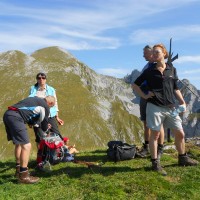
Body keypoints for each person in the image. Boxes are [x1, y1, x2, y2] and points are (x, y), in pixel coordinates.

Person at [132, 43, 198, 175]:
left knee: (180, 133)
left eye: (157, 52)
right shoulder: (149, 71)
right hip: (155, 106)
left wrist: (182, 101)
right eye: (154, 52)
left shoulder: (171, 69)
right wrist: (145, 95)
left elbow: (175, 87)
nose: (155, 54)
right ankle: (155, 163)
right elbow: (135, 85)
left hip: (171, 107)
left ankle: (182, 158)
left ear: (164, 54)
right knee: (155, 134)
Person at [3, 96, 55, 184]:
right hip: (16, 118)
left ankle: (18, 170)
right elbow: (44, 126)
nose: (49, 108)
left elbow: (29, 116)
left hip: (8, 115)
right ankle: (24, 176)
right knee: (27, 146)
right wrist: (47, 127)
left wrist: (33, 123)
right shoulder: (45, 106)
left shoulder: (34, 100)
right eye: (50, 106)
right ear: (50, 103)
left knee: (19, 144)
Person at [137, 45, 165, 159]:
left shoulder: (156, 66)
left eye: (145, 53)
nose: (143, 55)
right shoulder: (148, 65)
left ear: (151, 53)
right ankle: (147, 146)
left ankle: (159, 148)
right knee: (146, 122)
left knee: (158, 123)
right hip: (145, 97)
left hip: (152, 98)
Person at [29, 72, 64, 147]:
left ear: (46, 79)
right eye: (39, 78)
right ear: (37, 79)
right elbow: (30, 103)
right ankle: (41, 155)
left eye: (43, 78)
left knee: (56, 133)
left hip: (50, 115)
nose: (41, 79)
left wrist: (57, 117)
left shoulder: (51, 89)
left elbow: (55, 102)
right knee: (39, 137)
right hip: (37, 116)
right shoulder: (33, 89)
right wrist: (30, 119)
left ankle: (60, 153)